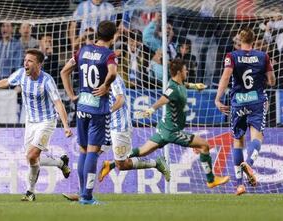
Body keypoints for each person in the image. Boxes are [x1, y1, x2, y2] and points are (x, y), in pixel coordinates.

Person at [101, 59, 230, 189]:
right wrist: (151, 109)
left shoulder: (179, 84)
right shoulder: (172, 88)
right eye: (185, 70)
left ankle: (110, 164)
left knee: (141, 151)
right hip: (172, 132)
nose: (187, 71)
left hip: (163, 129)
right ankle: (211, 180)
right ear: (179, 72)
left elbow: (184, 85)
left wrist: (195, 86)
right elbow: (163, 99)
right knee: (204, 145)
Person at [62, 74, 170, 202]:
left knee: (121, 164)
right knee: (88, 154)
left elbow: (120, 100)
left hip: (119, 126)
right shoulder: (95, 77)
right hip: (103, 124)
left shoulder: (114, 78)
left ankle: (156, 162)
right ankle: (83, 193)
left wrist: (107, 112)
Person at [0, 49, 73, 202]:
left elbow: (58, 103)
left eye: (30, 61)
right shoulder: (20, 74)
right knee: (31, 158)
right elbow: (6, 81)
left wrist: (65, 125)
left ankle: (30, 192)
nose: (26, 63)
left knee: (32, 155)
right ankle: (60, 162)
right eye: (25, 60)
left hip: (46, 121)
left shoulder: (47, 80)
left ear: (39, 64)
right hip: (30, 122)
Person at [61, 20, 118, 205]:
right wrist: (105, 85)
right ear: (114, 36)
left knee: (84, 150)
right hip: (98, 108)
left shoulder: (83, 50)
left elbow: (64, 72)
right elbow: (113, 73)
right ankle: (86, 196)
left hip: (82, 106)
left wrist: (71, 95)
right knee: (93, 151)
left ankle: (82, 191)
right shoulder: (109, 55)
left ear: (97, 34)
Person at [215, 27, 275, 195]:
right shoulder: (264, 57)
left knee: (238, 142)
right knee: (257, 137)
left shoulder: (232, 56)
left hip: (238, 103)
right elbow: (271, 81)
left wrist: (217, 99)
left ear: (240, 41)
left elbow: (226, 77)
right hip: (257, 102)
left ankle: (239, 184)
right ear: (253, 41)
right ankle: (249, 162)